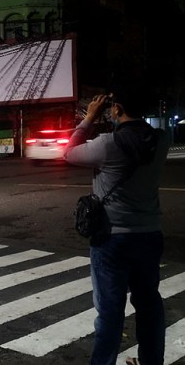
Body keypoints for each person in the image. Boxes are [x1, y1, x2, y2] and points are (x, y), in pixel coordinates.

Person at [63, 86, 170, 365]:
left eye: (112, 108)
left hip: (111, 239)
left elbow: (69, 152)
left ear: (117, 109)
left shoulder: (107, 144)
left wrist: (89, 118)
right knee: (149, 306)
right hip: (148, 235)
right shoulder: (161, 139)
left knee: (110, 313)